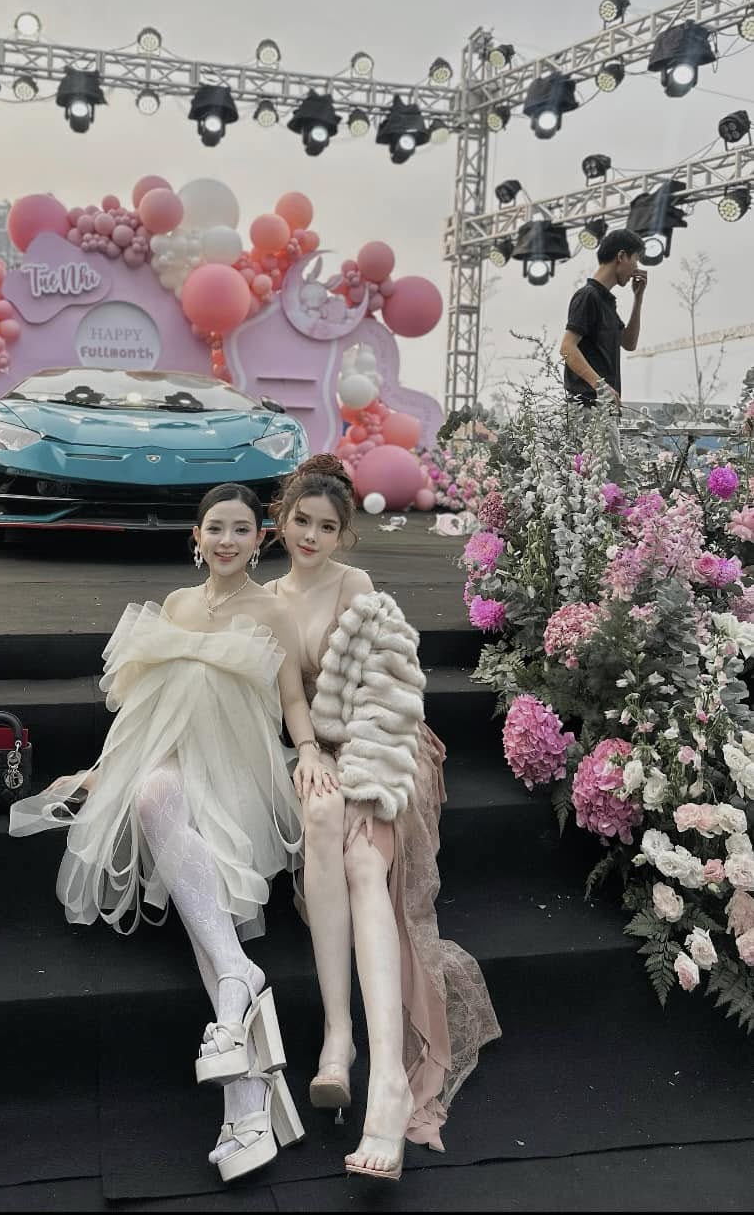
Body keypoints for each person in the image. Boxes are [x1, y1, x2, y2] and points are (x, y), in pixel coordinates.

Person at [9, 483, 337, 1184]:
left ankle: (246, 1094)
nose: (226, 540)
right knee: (154, 793)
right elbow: (144, 710)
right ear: (196, 535)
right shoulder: (178, 605)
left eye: (241, 529)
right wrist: (103, 769)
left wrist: (308, 751)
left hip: (239, 771)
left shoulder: (272, 612)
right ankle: (239, 1012)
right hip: (172, 765)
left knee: (191, 861)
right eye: (215, 527)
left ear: (260, 539)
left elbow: (291, 699)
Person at [265, 456, 500, 1182]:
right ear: (281, 521)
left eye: (326, 526)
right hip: (319, 749)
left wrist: (359, 770)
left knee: (365, 857)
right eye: (301, 521)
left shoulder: (355, 587)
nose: (311, 535)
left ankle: (389, 1083)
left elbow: (386, 695)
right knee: (319, 813)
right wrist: (310, 752)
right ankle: (337, 1041)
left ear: (345, 535)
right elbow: (291, 699)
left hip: (385, 743)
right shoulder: (269, 599)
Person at [559, 227, 648, 481]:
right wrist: (601, 386)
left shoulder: (606, 302)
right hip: (588, 408)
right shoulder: (588, 297)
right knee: (611, 483)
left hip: (601, 409)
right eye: (635, 260)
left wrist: (638, 299)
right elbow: (567, 348)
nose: (636, 268)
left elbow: (629, 342)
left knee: (606, 483)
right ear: (621, 256)